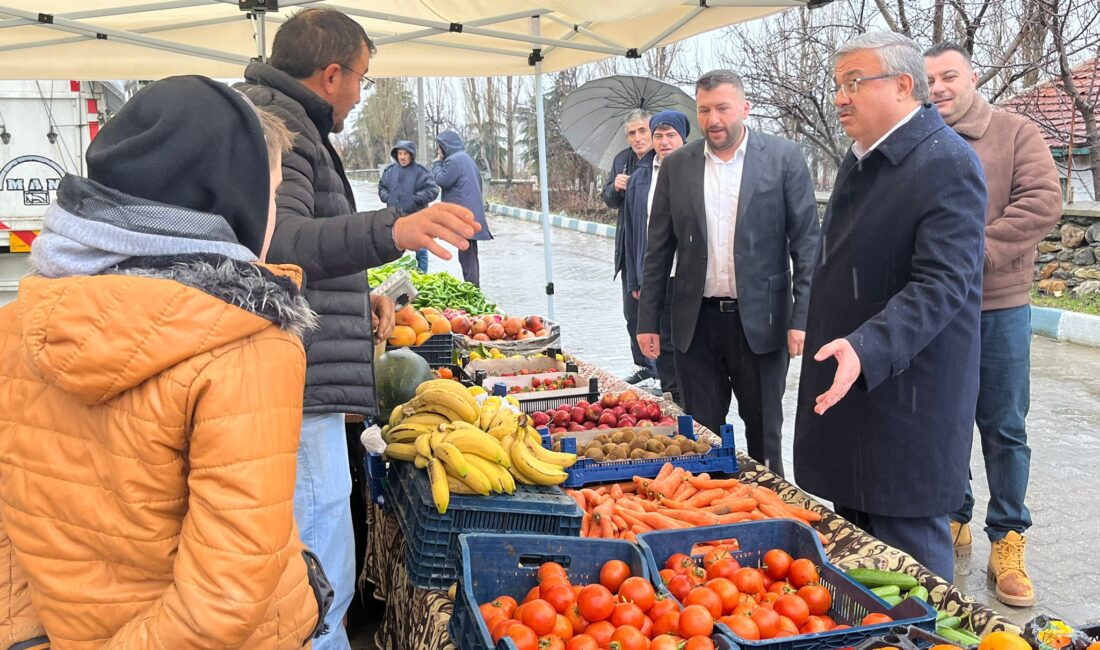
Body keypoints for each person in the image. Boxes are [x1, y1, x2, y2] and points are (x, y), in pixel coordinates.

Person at [0, 76, 325, 646]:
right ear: (226, 196)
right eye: (269, 192)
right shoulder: (245, 343)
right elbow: (227, 594)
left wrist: (22, 634)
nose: (273, 213)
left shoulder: (19, 321)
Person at [235, 9, 479, 648]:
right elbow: (279, 243)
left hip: (304, 366)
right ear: (332, 73)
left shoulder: (286, 122)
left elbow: (296, 249)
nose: (362, 92)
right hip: (302, 382)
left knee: (319, 562)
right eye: (362, 79)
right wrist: (390, 230)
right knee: (319, 575)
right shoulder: (280, 126)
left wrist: (357, 291)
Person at [793, 32, 988, 580]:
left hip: (906, 401)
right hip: (853, 392)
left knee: (910, 571)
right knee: (859, 561)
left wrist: (866, 345)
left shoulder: (946, 163)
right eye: (838, 85)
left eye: (854, 82)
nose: (840, 98)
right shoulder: (864, 159)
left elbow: (943, 284)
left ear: (904, 86)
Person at [926, 42, 1061, 606]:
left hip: (998, 305)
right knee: (942, 419)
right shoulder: (919, 140)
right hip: (934, 309)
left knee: (1004, 426)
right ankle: (953, 516)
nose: (938, 88)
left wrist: (975, 255)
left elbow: (1043, 201)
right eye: (929, 80)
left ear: (972, 76)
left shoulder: (1014, 132)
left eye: (949, 76)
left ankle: (1007, 536)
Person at [637, 70, 819, 478]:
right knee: (703, 435)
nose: (713, 119)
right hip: (695, 324)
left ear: (744, 107)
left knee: (765, 432)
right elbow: (659, 249)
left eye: (722, 108)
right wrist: (648, 319)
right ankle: (715, 516)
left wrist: (802, 318)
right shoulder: (678, 165)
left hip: (763, 323)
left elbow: (807, 245)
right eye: (704, 110)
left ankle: (771, 505)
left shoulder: (784, 158)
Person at [621, 110, 690, 404]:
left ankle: (694, 398)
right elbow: (636, 232)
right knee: (661, 339)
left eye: (670, 135)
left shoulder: (697, 171)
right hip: (658, 274)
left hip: (690, 276)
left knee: (688, 340)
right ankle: (673, 395)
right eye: (658, 135)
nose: (664, 141)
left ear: (683, 138)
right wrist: (637, 277)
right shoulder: (641, 178)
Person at [602, 110, 657, 385]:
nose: (637, 138)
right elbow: (608, 199)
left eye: (642, 131)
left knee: (654, 312)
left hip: (652, 248)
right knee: (631, 313)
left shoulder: (661, 160)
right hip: (627, 248)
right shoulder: (622, 160)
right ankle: (644, 365)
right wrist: (615, 186)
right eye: (631, 133)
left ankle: (662, 369)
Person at [432, 130, 493, 287]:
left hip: (464, 216)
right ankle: (474, 287)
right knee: (470, 253)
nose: (439, 151)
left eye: (440, 148)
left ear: (446, 147)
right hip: (472, 214)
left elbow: (442, 180)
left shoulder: (453, 161)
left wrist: (436, 163)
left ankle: (472, 289)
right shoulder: (466, 159)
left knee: (466, 255)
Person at [379, 140, 440, 273]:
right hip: (394, 217)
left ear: (411, 155)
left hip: (416, 216)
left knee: (421, 249)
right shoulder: (390, 171)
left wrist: (414, 199)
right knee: (393, 249)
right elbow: (382, 187)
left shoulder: (421, 171)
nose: (402, 157)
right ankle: (394, 276)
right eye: (400, 154)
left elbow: (433, 190)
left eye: (405, 154)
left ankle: (422, 276)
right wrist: (387, 198)